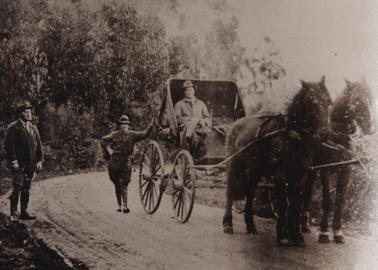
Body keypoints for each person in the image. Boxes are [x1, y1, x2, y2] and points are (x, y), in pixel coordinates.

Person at [102, 115, 154, 213]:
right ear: (120, 125)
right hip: (114, 163)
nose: (124, 126)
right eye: (122, 124)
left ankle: (125, 206)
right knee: (117, 185)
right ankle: (119, 205)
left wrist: (151, 126)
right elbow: (104, 140)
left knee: (124, 184)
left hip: (125, 162)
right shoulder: (114, 134)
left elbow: (144, 134)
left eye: (126, 124)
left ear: (128, 125)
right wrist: (109, 150)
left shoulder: (132, 135)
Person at [5, 100, 43, 222]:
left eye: (30, 112)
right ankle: (13, 213)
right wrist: (13, 161)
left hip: (31, 164)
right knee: (17, 187)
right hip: (18, 164)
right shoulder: (13, 128)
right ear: (20, 114)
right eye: (26, 112)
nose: (29, 114)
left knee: (26, 187)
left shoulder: (33, 128)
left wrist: (40, 160)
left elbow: (39, 147)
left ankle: (24, 211)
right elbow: (9, 147)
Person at [174, 80, 211, 159]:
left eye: (191, 90)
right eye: (187, 90)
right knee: (193, 133)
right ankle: (197, 153)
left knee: (211, 133)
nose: (189, 92)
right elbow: (177, 119)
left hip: (201, 127)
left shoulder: (201, 103)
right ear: (184, 92)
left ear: (194, 91)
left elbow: (207, 117)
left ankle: (207, 154)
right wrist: (192, 120)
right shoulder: (179, 104)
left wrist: (203, 121)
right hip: (186, 129)